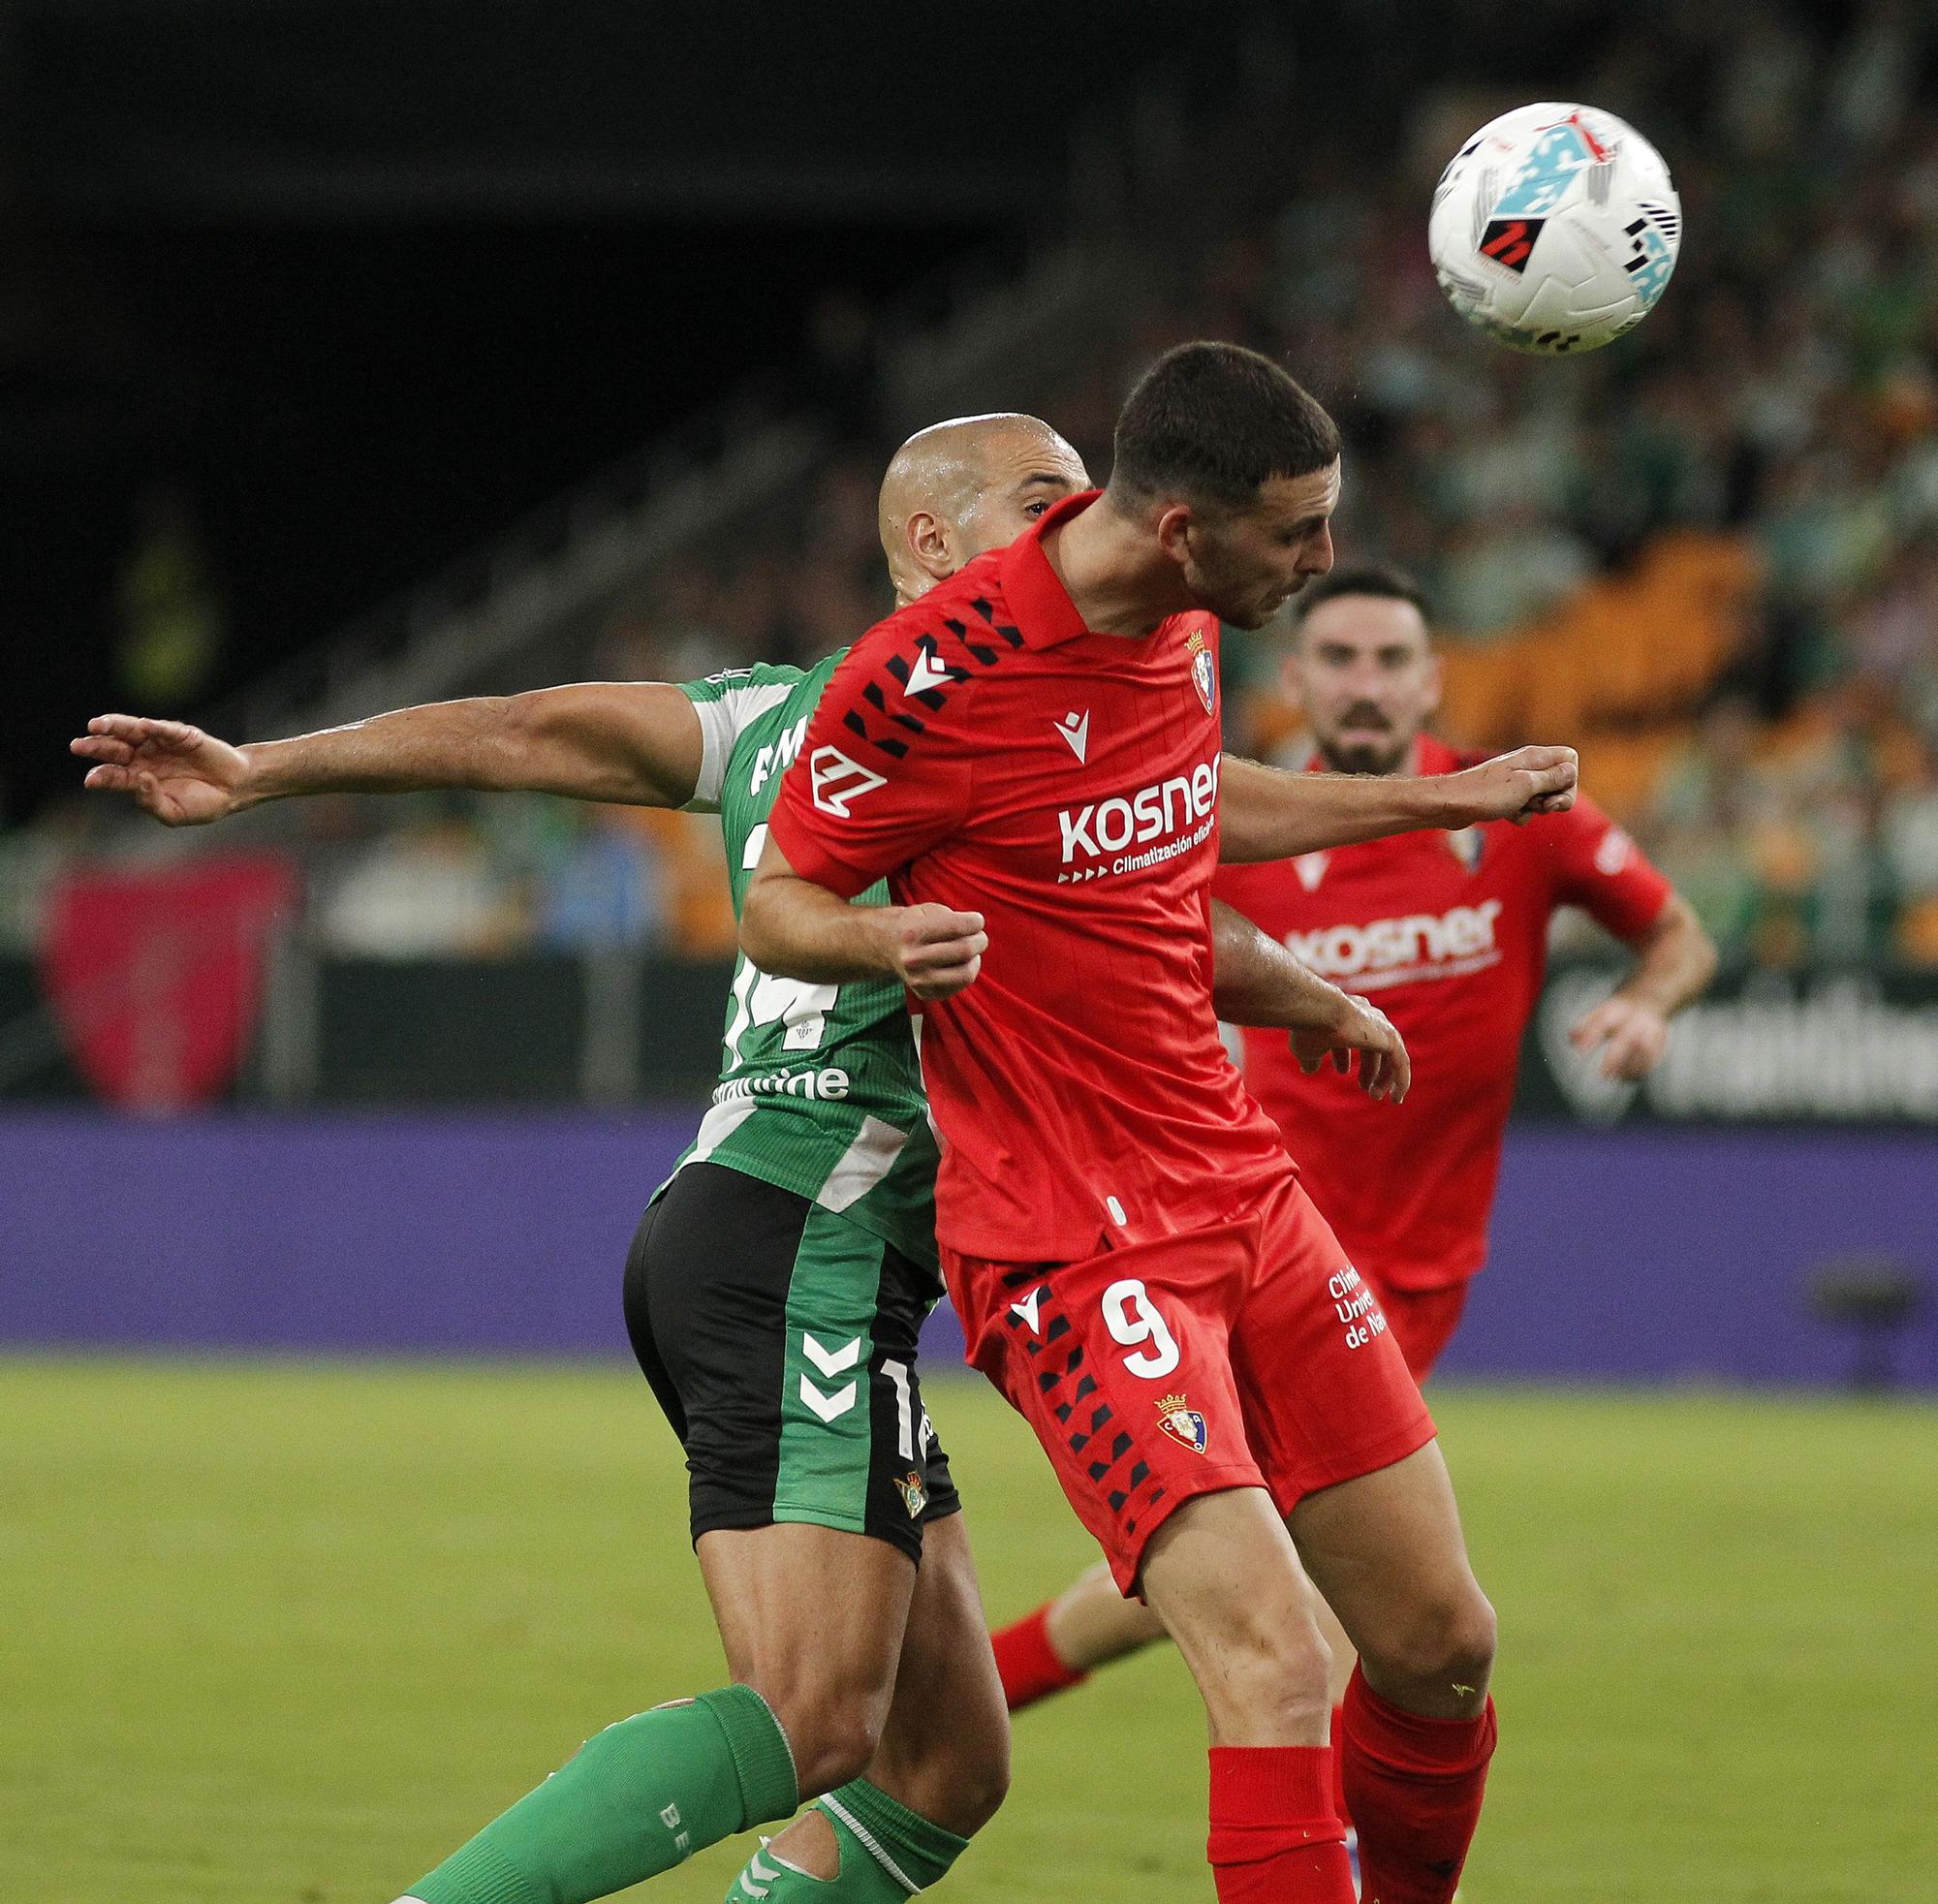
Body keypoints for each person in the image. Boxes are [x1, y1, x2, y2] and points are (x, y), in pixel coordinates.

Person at [75, 410, 1484, 1904]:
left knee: (946, 1764)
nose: (1086, 518)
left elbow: (541, 727)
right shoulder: (920, 714)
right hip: (809, 1216)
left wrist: (268, 772)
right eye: (1043, 498)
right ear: (931, 546)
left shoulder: (816, 710)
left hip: (796, 1238)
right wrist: (262, 775)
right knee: (818, 1715)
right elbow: (536, 729)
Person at [739, 343, 1581, 1904]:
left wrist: (1432, 810)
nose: (1323, 563)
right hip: (1069, 1242)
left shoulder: (1189, 624)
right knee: (1273, 1665)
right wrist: (877, 940)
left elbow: (1193, 805)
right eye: (1298, 532)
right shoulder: (931, 680)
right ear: (1185, 526)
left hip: (1244, 1194)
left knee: (1439, 1645)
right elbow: (777, 893)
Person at [987, 561, 1719, 1848]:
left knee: (1248, 1586)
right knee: (1285, 1611)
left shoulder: (1512, 818)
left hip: (1419, 1273)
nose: (1366, 682)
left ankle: (972, 1693)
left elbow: (1681, 936)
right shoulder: (1214, 825)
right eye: (1340, 658)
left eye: (1392, 660)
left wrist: (1646, 1006)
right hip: (1252, 1252)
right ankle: (1302, 1848)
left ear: (1434, 679)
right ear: (1298, 679)